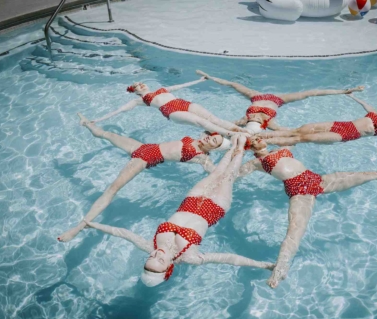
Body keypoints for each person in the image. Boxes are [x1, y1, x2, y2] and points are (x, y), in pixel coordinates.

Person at [239, 137, 377, 288]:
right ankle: (280, 269)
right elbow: (234, 175)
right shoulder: (256, 163)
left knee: (368, 175)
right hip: (299, 191)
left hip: (319, 180)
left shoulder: (283, 148)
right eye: (253, 141)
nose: (257, 139)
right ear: (250, 148)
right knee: (295, 232)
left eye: (258, 137)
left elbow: (293, 136)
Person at [84, 135, 275, 287]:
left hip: (190, 202)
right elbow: (227, 258)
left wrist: (91, 224)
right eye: (158, 261)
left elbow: (122, 233)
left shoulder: (150, 246)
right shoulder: (188, 257)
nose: (155, 255)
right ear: (168, 268)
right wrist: (262, 265)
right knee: (228, 178)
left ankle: (236, 142)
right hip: (213, 209)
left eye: (150, 259)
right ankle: (241, 147)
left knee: (217, 173)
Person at [57, 113, 232, 242]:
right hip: (143, 147)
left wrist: (231, 164)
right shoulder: (200, 138)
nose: (209, 139)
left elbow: (216, 173)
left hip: (144, 158)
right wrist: (235, 132)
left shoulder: (202, 157)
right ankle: (87, 123)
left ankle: (79, 227)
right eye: (211, 137)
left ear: (214, 149)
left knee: (112, 189)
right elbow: (212, 124)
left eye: (213, 142)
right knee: (106, 134)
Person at [258, 94, 377, 169]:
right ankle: (261, 136)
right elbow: (366, 106)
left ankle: (263, 141)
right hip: (338, 124)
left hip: (343, 134)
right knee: (300, 129)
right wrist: (351, 95)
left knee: (301, 138)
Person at [196, 70, 365, 134]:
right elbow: (293, 131)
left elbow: (218, 123)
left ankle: (209, 75)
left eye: (251, 120)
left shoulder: (244, 120)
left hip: (256, 96)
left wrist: (209, 77)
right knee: (307, 94)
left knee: (234, 84)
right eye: (255, 121)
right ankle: (343, 90)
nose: (253, 119)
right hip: (277, 100)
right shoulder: (270, 123)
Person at [92, 77, 247, 137]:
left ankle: (239, 130)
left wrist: (199, 80)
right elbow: (119, 110)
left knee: (213, 119)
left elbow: (180, 85)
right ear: (135, 92)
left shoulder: (161, 88)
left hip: (183, 103)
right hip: (172, 111)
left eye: (140, 83)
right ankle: (230, 134)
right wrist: (97, 120)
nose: (140, 85)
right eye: (137, 86)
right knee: (203, 123)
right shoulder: (141, 100)